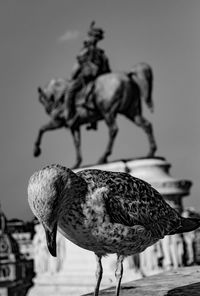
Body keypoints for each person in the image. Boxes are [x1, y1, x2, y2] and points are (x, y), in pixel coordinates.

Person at [66, 21, 111, 128]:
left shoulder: (86, 50)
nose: (91, 38)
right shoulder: (101, 53)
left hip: (87, 78)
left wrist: (71, 77)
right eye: (92, 36)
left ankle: (70, 117)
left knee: (69, 91)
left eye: (92, 36)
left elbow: (78, 66)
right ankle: (93, 122)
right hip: (99, 78)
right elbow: (107, 69)